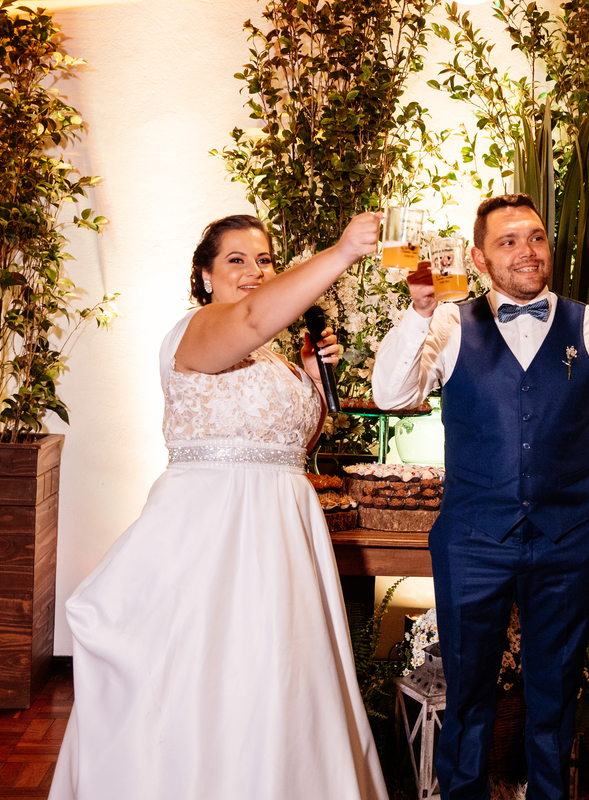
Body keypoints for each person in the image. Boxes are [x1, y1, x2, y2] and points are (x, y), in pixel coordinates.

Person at [49, 212, 387, 800]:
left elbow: (287, 447)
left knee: (280, 682)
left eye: (264, 260)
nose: (255, 272)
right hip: (212, 541)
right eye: (236, 260)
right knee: (207, 683)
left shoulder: (275, 361)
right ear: (205, 277)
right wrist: (341, 251)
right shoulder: (198, 328)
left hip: (281, 537)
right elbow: (254, 317)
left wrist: (311, 381)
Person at [372, 194, 589, 800]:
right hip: (471, 540)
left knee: (553, 698)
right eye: (507, 241)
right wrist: (419, 311)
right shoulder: (449, 323)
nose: (527, 250)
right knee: (469, 697)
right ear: (477, 257)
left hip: (569, 539)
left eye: (536, 238)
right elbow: (393, 395)